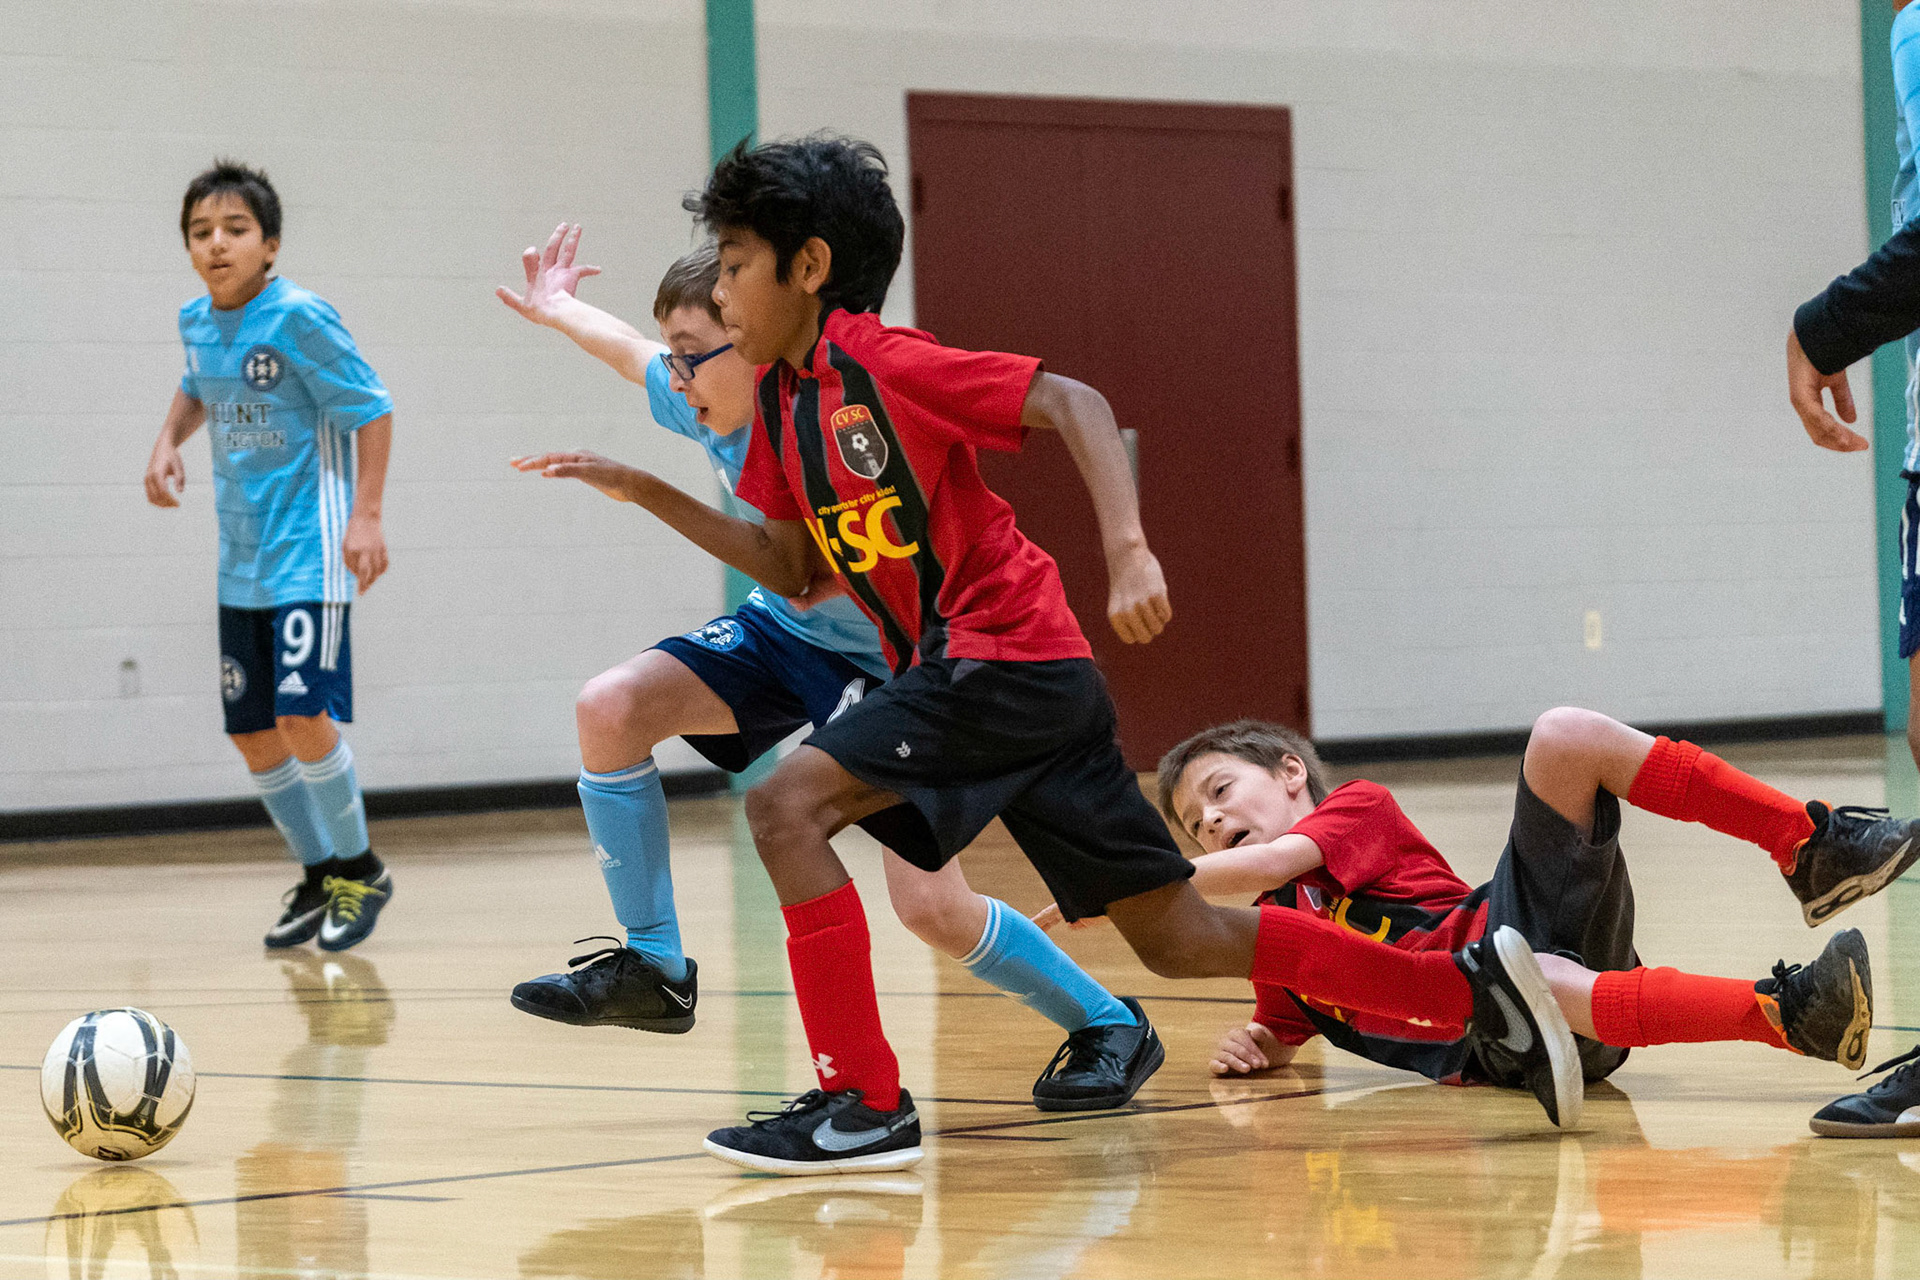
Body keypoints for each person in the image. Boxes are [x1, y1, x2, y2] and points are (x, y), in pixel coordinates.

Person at [677, 135, 1591, 1176]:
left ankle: (861, 1098)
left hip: (999, 656)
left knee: (783, 803)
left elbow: (1074, 400)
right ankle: (1468, 992)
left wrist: (1127, 548)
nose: (723, 284)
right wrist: (647, 490)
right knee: (1181, 937)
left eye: (738, 259)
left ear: (810, 266)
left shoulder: (883, 363)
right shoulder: (783, 410)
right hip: (1027, 680)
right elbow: (791, 567)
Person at [496, 225, 1164, 1111]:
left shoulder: (818, 408)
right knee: (610, 707)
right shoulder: (699, 389)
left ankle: (1106, 1019)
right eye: (679, 358)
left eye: (694, 355)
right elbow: (631, 352)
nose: (676, 375)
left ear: (759, 346)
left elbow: (804, 567)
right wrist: (558, 308)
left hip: (899, 663)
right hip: (788, 635)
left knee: (929, 906)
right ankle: (654, 965)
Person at [1147, 713, 1910, 1096]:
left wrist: (1138, 881)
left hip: (1515, 931)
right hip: (1496, 1045)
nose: (1209, 824)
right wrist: (1254, 1046)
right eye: (1192, 826)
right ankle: (1789, 1014)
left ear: (1289, 773)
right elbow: (1283, 1026)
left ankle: (1809, 846)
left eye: (1218, 793)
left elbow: (1276, 861)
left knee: (1564, 736)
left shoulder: (1354, 808)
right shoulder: (1267, 938)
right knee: (1528, 972)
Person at [145, 160, 394, 951]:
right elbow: (198, 384)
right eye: (201, 232)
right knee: (253, 732)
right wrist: (165, 441)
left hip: (308, 553)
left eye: (235, 230)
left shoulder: (299, 318)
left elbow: (373, 408)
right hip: (241, 562)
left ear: (271, 244)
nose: (217, 245)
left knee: (301, 713)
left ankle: (362, 869)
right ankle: (321, 872)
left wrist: (367, 516)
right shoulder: (197, 318)